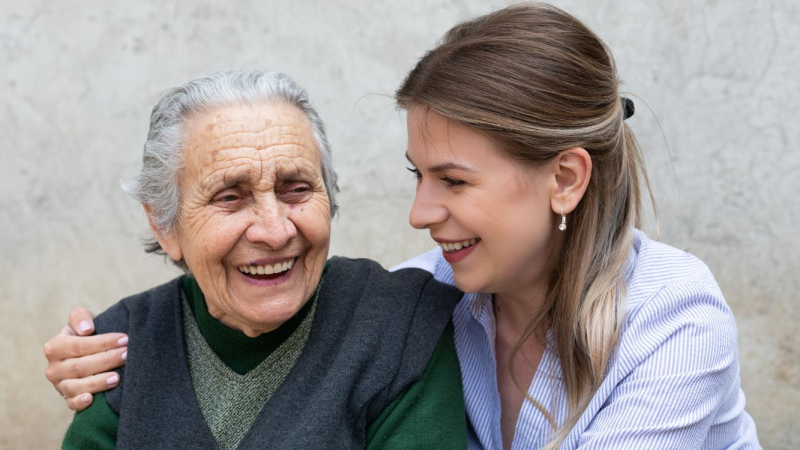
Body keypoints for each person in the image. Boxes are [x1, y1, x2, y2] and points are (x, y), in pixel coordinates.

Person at [45, 3, 761, 449]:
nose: (419, 214)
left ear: (565, 179)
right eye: (418, 176)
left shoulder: (673, 320)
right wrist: (92, 361)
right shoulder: (423, 301)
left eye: (453, 181)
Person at [50, 70, 468, 449]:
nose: (275, 230)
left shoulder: (399, 325)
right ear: (164, 225)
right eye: (230, 197)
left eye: (297, 189)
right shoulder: (116, 350)